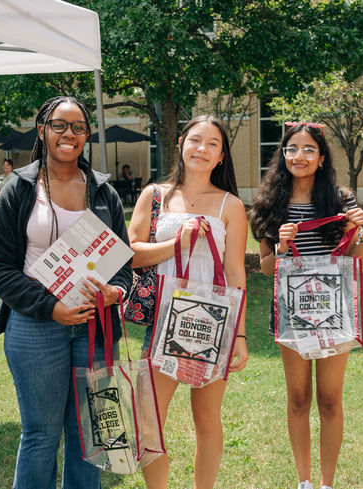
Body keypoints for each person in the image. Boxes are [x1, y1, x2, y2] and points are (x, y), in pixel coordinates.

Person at [0, 96, 132, 489]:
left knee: (91, 436)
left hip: (94, 328)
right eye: (60, 125)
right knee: (41, 435)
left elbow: (123, 265)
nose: (69, 134)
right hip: (35, 325)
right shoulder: (19, 189)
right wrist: (51, 308)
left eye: (79, 127)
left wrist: (117, 291)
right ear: (43, 130)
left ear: (87, 134)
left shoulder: (104, 193)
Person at [248, 122, 363, 489]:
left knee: (330, 400)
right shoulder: (272, 203)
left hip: (334, 312)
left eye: (308, 150)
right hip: (292, 314)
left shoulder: (339, 199)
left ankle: (326, 483)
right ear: (283, 155)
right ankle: (303, 481)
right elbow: (268, 268)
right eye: (291, 149)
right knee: (299, 398)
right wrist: (283, 248)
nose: (298, 156)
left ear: (321, 159)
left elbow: (357, 258)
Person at [128, 115, 249, 489]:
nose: (202, 149)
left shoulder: (231, 205)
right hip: (163, 322)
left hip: (212, 324)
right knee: (149, 418)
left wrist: (239, 337)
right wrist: (176, 243)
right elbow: (131, 253)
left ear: (222, 156)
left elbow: (235, 274)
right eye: (196, 140)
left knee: (207, 418)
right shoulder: (156, 195)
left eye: (213, 144)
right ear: (181, 142)